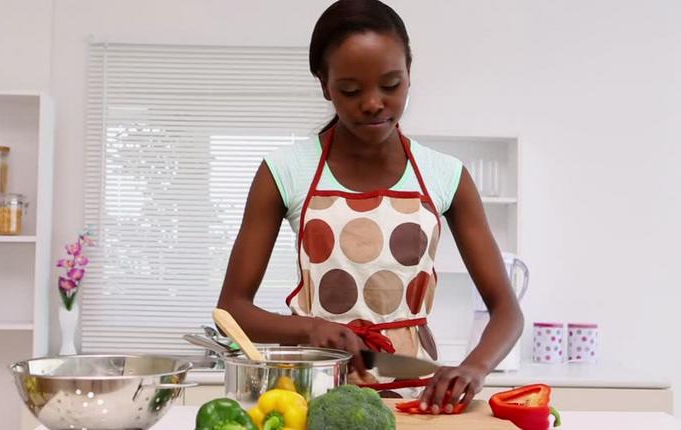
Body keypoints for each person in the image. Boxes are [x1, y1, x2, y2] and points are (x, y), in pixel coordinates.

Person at [217, 0, 523, 415]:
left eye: (391, 84)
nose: (374, 103)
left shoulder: (445, 175)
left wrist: (474, 368)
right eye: (350, 90)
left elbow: (506, 310)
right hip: (311, 398)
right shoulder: (285, 172)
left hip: (417, 400)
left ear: (410, 76)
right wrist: (310, 329)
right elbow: (232, 309)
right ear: (325, 85)